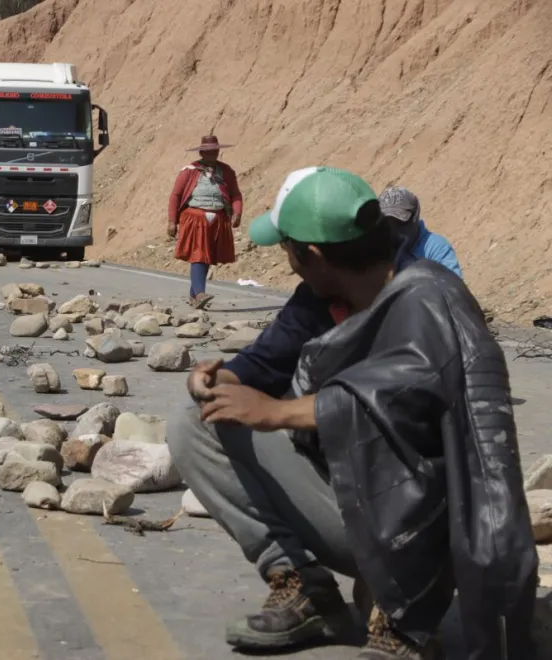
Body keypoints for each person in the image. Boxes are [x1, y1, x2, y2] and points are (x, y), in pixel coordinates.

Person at [167, 167, 537, 660]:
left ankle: (408, 625)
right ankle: (305, 588)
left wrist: (277, 413)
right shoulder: (320, 299)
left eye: (289, 251)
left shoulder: (428, 298)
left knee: (376, 441)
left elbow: (403, 404)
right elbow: (262, 362)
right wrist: (215, 381)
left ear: (313, 256)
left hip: (424, 520)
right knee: (196, 424)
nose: (289, 262)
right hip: (353, 497)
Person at [168, 135, 243, 309]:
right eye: (209, 152)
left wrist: (237, 212)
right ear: (202, 152)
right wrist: (172, 221)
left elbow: (235, 194)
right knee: (199, 254)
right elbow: (176, 195)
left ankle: (194, 296)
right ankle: (200, 293)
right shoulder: (189, 171)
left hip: (218, 218)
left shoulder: (226, 171)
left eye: (215, 151)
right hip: (195, 218)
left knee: (207, 256)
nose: (213, 154)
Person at [379, 186, 463, 277]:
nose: (394, 231)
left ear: (415, 218)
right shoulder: (380, 251)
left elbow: (452, 287)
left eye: (399, 223)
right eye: (387, 225)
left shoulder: (436, 247)